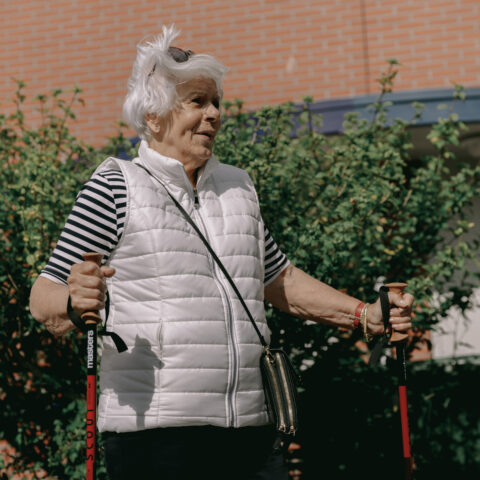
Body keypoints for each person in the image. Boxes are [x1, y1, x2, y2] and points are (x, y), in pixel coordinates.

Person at [29, 25, 413, 480]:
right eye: (197, 101)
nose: (213, 114)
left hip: (251, 431)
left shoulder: (238, 186)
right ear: (154, 115)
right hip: (156, 437)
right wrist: (75, 302)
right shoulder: (115, 185)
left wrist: (365, 315)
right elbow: (43, 297)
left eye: (216, 102)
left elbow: (278, 278)